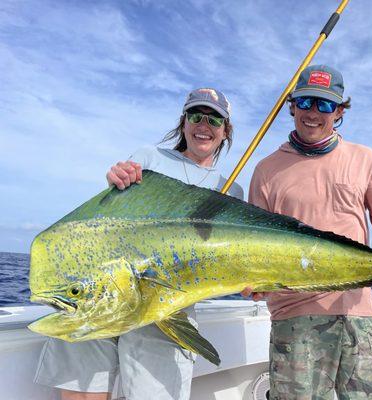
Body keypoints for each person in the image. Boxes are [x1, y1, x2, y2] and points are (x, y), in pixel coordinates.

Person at [34, 88, 244, 400]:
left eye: (214, 119)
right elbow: (113, 212)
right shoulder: (149, 158)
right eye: (196, 115)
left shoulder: (231, 190)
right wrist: (118, 177)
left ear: (225, 130)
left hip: (165, 310)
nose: (204, 124)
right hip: (104, 294)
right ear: (184, 122)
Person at [242, 65, 372, 400]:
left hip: (358, 311)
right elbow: (254, 246)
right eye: (306, 101)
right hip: (295, 314)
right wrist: (252, 282)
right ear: (291, 105)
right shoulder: (265, 170)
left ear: (339, 111)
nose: (313, 113)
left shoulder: (365, 158)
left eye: (325, 105)